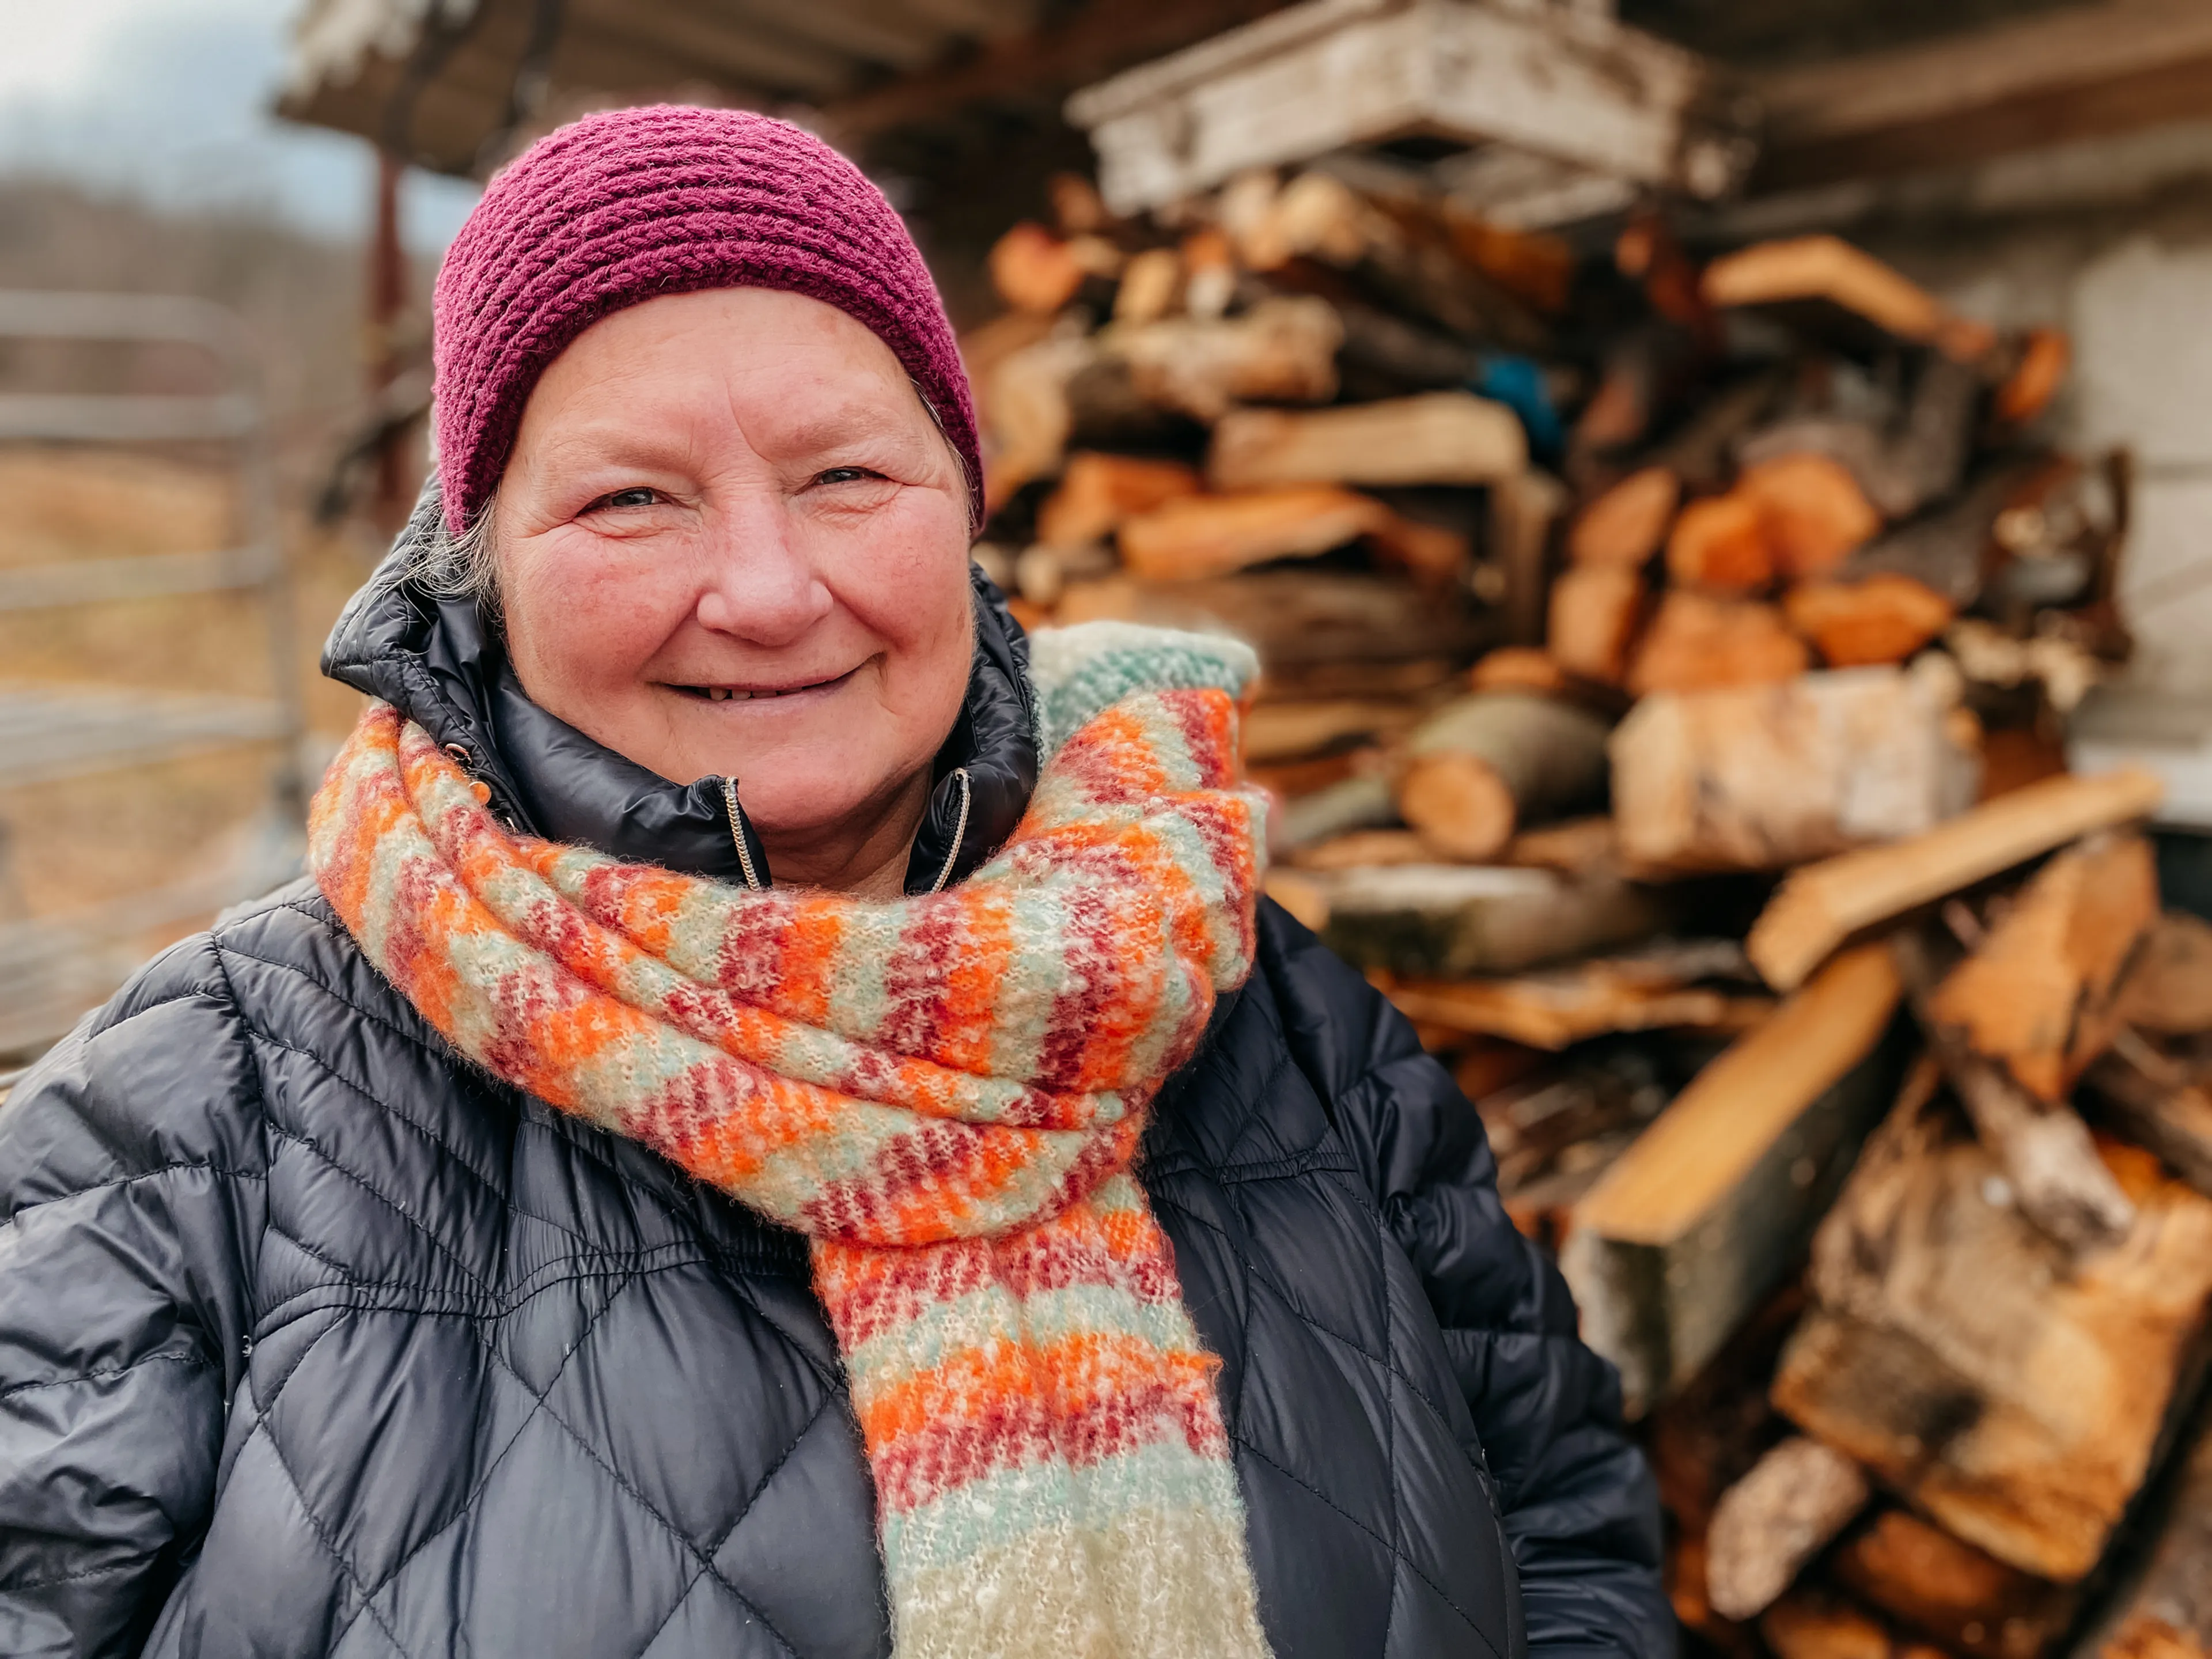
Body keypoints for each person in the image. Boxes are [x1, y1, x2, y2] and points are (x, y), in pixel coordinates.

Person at [0, 107, 1665, 1659]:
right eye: (630, 498)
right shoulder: (193, 1119)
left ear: (965, 510)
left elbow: (1566, 1530)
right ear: (482, 568)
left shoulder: (1264, 998)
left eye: (849, 477)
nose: (769, 588)